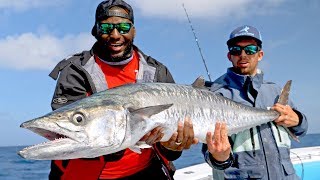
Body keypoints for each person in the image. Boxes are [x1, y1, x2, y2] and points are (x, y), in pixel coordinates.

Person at [48, 0, 197, 179]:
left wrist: (173, 146)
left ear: (134, 30)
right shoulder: (75, 70)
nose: (115, 35)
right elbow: (78, 137)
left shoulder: (157, 71)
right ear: (95, 31)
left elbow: (168, 147)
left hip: (145, 171)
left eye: (124, 27)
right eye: (105, 28)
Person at [202, 25, 308, 179]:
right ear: (229, 56)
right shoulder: (215, 94)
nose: (243, 55)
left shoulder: (275, 91)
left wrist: (297, 120)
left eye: (250, 50)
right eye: (236, 50)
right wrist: (219, 158)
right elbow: (209, 152)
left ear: (260, 54)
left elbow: (302, 130)